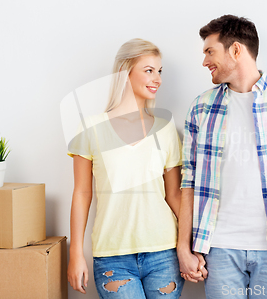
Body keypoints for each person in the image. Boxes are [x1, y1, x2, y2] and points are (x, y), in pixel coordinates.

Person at [177, 15, 267, 298]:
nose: (205, 61)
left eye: (209, 51)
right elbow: (188, 182)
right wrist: (184, 247)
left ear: (236, 50)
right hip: (218, 250)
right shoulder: (201, 108)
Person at [67, 38, 185, 298]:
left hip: (164, 252)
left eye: (160, 71)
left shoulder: (166, 129)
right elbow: (82, 193)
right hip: (112, 257)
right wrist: (76, 253)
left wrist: (191, 247)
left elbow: (175, 195)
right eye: (149, 70)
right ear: (125, 72)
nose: (158, 79)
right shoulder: (90, 129)